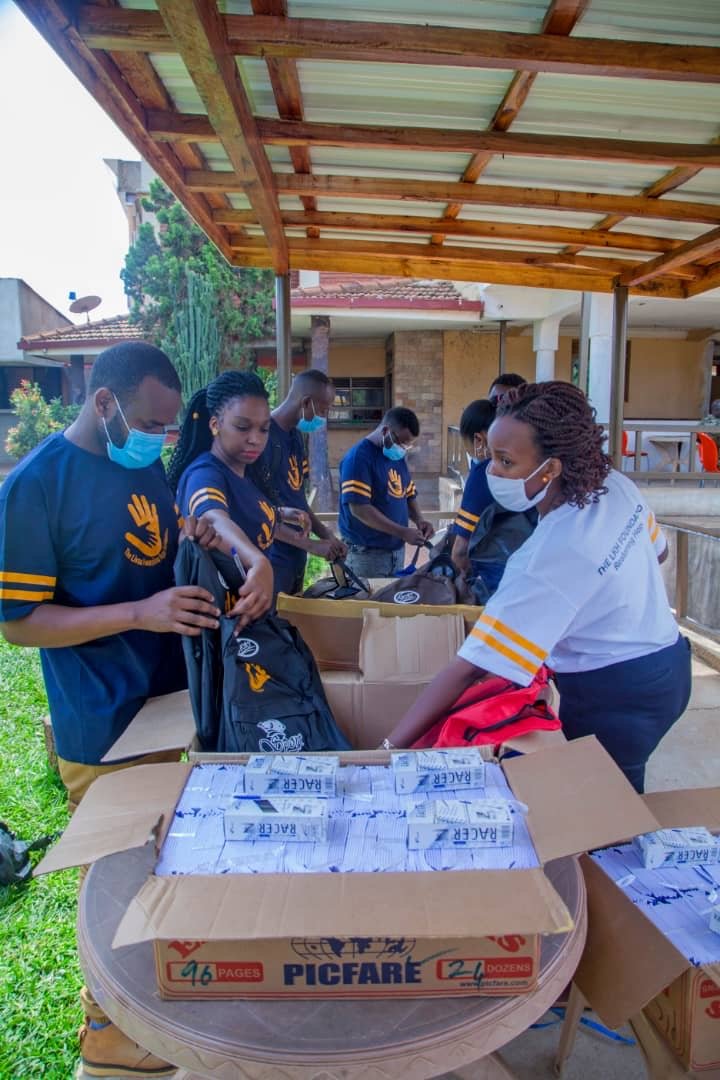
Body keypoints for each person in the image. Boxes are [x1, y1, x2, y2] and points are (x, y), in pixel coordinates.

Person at [0, 342, 271, 1077]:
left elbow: (149, 554)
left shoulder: (141, 464)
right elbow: (18, 622)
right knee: (113, 884)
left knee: (160, 868)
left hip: (167, 702)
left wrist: (200, 546)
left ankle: (155, 1002)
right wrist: (139, 613)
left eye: (164, 424)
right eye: (149, 421)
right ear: (103, 402)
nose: (160, 437)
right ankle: (108, 1034)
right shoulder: (36, 487)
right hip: (103, 719)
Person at [382, 381, 691, 794]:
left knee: (604, 815)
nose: (491, 472)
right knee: (617, 795)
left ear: (551, 468)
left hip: (617, 694)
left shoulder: (547, 557)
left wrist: (386, 750)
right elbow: (659, 554)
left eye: (506, 462)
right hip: (670, 665)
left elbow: (469, 668)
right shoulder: (613, 484)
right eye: (491, 456)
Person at [167, 370, 311, 580]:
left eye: (264, 429)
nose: (255, 439)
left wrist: (278, 513)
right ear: (215, 425)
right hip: (223, 610)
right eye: (243, 427)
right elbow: (212, 517)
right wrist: (257, 561)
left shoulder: (246, 471)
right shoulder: (204, 474)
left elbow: (245, 512)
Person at [249, 368, 347, 595]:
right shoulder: (263, 439)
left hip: (295, 555)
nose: (324, 416)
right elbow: (256, 512)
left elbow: (297, 496)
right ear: (306, 403)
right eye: (323, 409)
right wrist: (311, 545)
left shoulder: (294, 436)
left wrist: (326, 535)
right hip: (271, 557)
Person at [451, 398, 537, 600]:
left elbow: (461, 549)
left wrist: (455, 583)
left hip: (493, 579)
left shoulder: (485, 472)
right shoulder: (531, 463)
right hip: (530, 571)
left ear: (479, 440)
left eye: (467, 445)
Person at [338, 406, 434, 579]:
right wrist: (402, 532)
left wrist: (420, 520)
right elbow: (359, 509)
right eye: (400, 442)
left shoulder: (396, 457)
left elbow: (408, 493)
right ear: (385, 431)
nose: (403, 448)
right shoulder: (358, 459)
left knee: (390, 603)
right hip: (367, 556)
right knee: (368, 605)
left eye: (407, 445)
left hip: (395, 553)